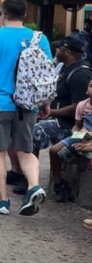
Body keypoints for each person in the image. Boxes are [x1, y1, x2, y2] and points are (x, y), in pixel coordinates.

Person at [0, 0, 51, 216]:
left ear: (3, 13)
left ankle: (2, 202)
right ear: (25, 14)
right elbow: (44, 76)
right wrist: (45, 103)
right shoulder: (39, 39)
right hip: (28, 104)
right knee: (25, 150)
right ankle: (34, 185)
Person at [34, 36, 92, 191]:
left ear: (67, 52)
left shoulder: (80, 75)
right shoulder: (62, 68)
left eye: (59, 48)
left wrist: (50, 112)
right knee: (24, 128)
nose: (56, 50)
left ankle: (33, 181)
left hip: (68, 124)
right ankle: (26, 175)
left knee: (34, 133)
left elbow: (76, 107)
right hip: (70, 125)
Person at [50, 77, 92, 202]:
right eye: (91, 86)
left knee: (82, 146)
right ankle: (58, 183)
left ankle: (72, 149)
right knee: (54, 150)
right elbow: (77, 125)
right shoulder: (82, 105)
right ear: (86, 90)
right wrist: (76, 133)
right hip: (81, 135)